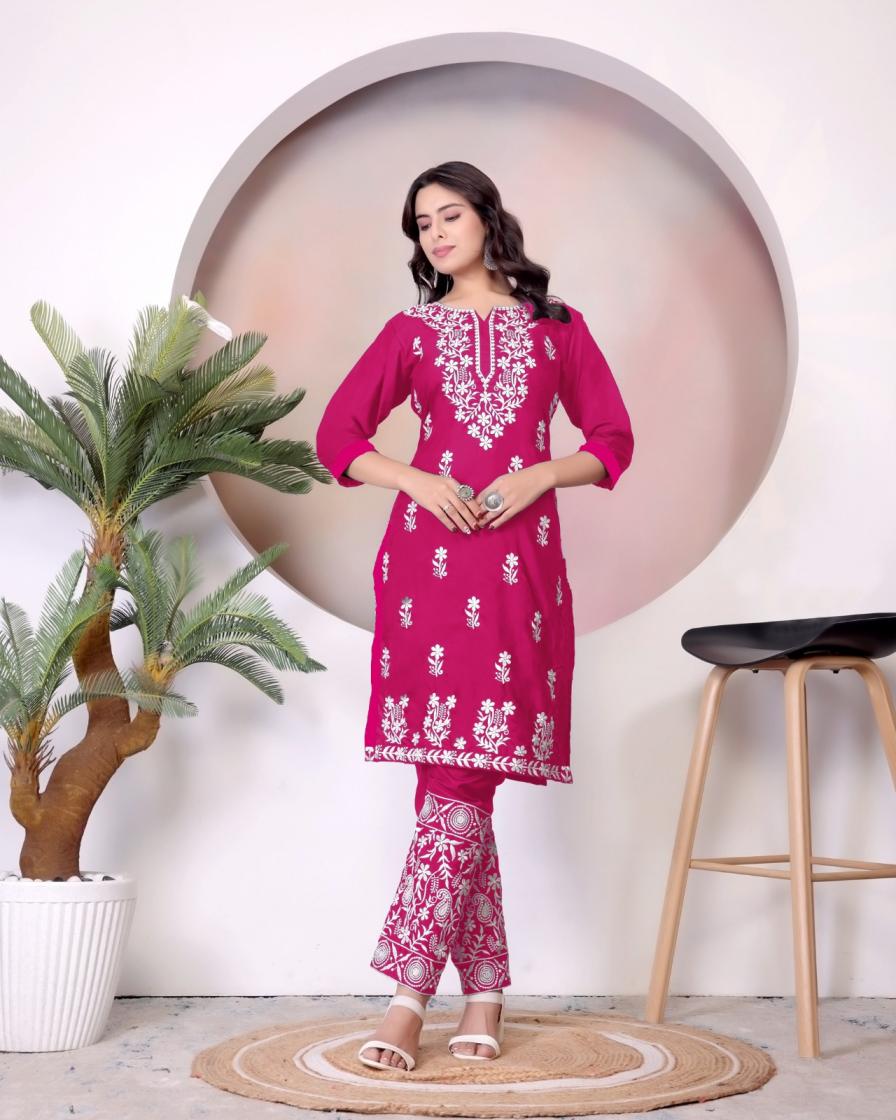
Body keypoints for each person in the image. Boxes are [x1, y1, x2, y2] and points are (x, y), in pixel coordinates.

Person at [314, 160, 635, 1072]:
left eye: (450, 215)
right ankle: (471, 994)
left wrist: (541, 473)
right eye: (422, 225)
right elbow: (338, 436)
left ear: (489, 219)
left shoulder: (558, 329)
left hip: (518, 572)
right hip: (425, 568)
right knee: (450, 781)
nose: (437, 234)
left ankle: (412, 997)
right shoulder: (411, 333)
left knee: (461, 783)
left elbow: (613, 441)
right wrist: (414, 478)